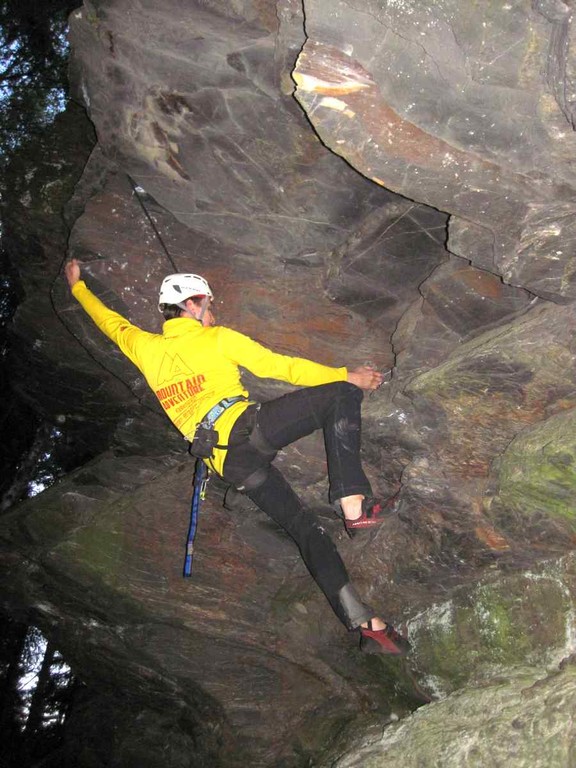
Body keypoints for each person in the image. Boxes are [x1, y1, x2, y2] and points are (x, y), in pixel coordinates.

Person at [65, 259, 410, 656]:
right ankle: (354, 506)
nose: (214, 313)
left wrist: (78, 288)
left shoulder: (144, 348)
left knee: (305, 531)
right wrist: (347, 375)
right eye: (209, 305)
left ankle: (367, 625)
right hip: (242, 431)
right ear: (192, 305)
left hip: (228, 465)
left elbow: (110, 323)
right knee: (341, 395)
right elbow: (283, 368)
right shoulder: (217, 339)